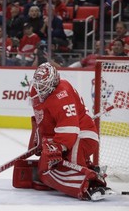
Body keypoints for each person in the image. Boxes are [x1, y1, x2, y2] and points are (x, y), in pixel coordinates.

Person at [22, 62, 114, 200]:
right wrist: (42, 139)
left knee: (72, 162)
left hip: (83, 135)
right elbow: (44, 120)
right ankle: (91, 169)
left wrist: (57, 146)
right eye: (38, 84)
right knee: (45, 168)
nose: (40, 88)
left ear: (53, 82)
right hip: (66, 135)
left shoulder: (62, 94)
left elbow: (70, 129)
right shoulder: (37, 90)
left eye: (43, 85)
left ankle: (90, 183)